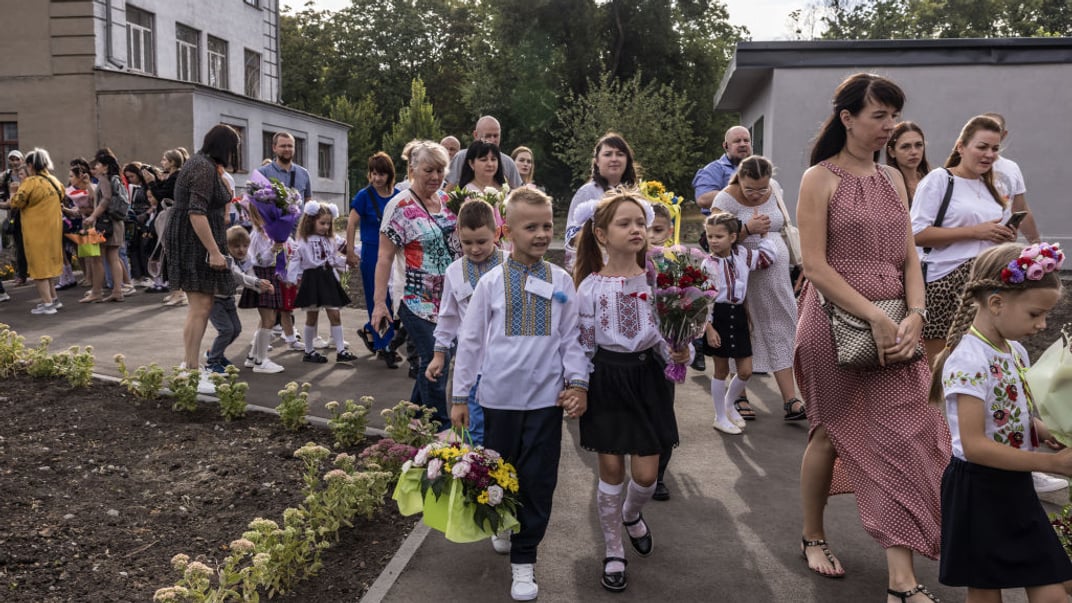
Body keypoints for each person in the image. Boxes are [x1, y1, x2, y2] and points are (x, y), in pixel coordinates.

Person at [795, 73, 950, 597]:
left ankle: (900, 580)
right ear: (847, 118)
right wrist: (876, 318)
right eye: (878, 116)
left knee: (903, 436)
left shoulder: (891, 180)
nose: (889, 126)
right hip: (834, 324)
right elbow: (814, 266)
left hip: (897, 321)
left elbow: (909, 256)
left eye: (893, 116)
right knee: (828, 432)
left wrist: (915, 314)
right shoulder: (819, 178)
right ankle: (812, 535)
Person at [450, 187, 588, 602]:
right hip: (498, 401)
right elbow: (471, 341)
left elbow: (572, 340)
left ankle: (525, 559)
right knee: (500, 473)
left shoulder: (561, 280)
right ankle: (505, 523)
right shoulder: (491, 283)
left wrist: (577, 383)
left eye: (548, 225)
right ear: (507, 230)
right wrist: (460, 396)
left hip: (546, 402)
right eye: (532, 227)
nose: (543, 234)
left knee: (539, 479)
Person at [930, 242, 1072, 602]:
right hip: (978, 489)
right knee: (985, 587)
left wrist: (1044, 431)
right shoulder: (967, 360)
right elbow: (975, 446)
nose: (1042, 325)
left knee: (1052, 583)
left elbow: (1014, 411)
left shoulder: (1014, 350)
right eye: (1035, 315)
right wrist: (1050, 463)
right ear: (996, 303)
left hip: (1013, 485)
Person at [572, 191, 688, 593]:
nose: (637, 229)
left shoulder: (661, 278)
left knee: (646, 475)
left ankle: (630, 513)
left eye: (641, 222)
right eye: (625, 223)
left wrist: (679, 348)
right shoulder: (588, 287)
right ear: (601, 234)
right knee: (611, 470)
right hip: (606, 379)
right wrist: (579, 386)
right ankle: (613, 549)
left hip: (648, 380)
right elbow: (584, 344)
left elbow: (662, 335)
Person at [911, 115, 1015, 363]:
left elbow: (986, 236)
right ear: (961, 147)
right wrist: (974, 232)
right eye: (982, 147)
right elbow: (916, 234)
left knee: (978, 362)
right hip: (945, 283)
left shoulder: (992, 187)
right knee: (940, 366)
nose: (989, 154)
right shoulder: (940, 179)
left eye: (995, 148)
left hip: (985, 281)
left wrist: (1003, 237)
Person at [711, 155, 806, 422]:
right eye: (750, 189)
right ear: (739, 179)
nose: (757, 195)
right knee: (742, 331)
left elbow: (784, 226)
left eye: (762, 189)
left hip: (775, 278)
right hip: (741, 279)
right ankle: (738, 395)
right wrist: (745, 229)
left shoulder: (774, 188)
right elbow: (713, 241)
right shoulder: (725, 199)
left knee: (781, 328)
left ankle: (790, 399)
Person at [371, 140, 460, 426]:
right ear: (413, 168)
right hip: (414, 301)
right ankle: (441, 431)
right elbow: (384, 258)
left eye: (441, 170)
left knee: (431, 362)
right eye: (429, 170)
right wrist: (378, 304)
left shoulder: (447, 201)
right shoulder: (400, 205)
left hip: (449, 301)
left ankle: (411, 419)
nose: (436, 177)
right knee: (438, 360)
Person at [166, 124, 241, 395]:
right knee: (201, 306)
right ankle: (193, 371)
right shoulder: (203, 168)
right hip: (193, 241)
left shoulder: (203, 164)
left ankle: (189, 366)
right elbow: (196, 213)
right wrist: (214, 251)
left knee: (199, 306)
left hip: (192, 239)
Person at [426, 199, 504, 446]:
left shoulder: (510, 265)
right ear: (458, 235)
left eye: (482, 241)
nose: (475, 249)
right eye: (467, 242)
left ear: (496, 232)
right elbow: (448, 317)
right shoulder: (454, 271)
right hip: (473, 367)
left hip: (507, 365)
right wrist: (439, 355)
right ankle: (477, 478)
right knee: (473, 430)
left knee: (504, 429)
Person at [701, 212, 776, 434]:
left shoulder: (742, 254)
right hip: (718, 315)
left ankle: (729, 404)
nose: (713, 241)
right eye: (710, 236)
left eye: (719, 236)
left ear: (733, 237)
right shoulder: (707, 263)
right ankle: (720, 416)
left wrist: (764, 236)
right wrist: (709, 328)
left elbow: (766, 259)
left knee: (745, 371)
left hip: (739, 315)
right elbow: (702, 298)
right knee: (721, 369)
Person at [346, 151, 402, 368]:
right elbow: (351, 224)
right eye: (373, 174)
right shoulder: (364, 196)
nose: (377, 178)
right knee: (376, 298)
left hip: (395, 253)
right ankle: (384, 346)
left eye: (381, 174)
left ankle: (371, 331)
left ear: (389, 175)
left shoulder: (398, 196)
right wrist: (351, 252)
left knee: (394, 298)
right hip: (372, 252)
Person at [285, 201, 356, 364]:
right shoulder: (303, 241)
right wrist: (291, 279)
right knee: (312, 316)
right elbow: (296, 260)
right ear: (311, 221)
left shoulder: (332, 239)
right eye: (322, 223)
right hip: (312, 279)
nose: (325, 227)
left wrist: (354, 257)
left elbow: (339, 255)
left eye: (328, 223)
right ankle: (309, 351)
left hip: (328, 278)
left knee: (335, 314)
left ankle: (341, 350)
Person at [564, 132, 639, 269]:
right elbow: (571, 236)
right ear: (597, 161)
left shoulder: (636, 193)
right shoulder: (587, 192)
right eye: (608, 154)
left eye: (620, 154)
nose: (614, 159)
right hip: (595, 269)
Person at [206, 226, 274, 373]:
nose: (241, 250)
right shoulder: (226, 259)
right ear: (227, 246)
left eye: (244, 246)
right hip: (215, 299)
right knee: (226, 330)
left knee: (236, 329)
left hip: (228, 299)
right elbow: (239, 277)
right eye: (236, 246)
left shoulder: (246, 258)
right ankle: (212, 362)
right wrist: (258, 283)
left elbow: (251, 274)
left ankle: (215, 353)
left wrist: (262, 286)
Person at [237, 200, 292, 374]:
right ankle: (261, 361)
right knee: (268, 319)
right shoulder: (256, 235)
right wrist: (273, 250)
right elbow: (258, 259)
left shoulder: (267, 233)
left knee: (267, 318)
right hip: (262, 276)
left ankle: (254, 356)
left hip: (268, 275)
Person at [10, 148, 64, 314]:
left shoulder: (31, 182)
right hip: (53, 230)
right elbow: (62, 194)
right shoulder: (53, 180)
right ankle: (53, 299)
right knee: (49, 266)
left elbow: (17, 202)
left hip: (36, 231)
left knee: (39, 268)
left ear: (31, 165)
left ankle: (47, 304)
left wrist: (13, 192)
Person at [646, 202, 676, 501]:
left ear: (668, 231)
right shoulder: (627, 264)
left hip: (665, 351)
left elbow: (692, 305)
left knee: (663, 412)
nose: (651, 235)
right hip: (633, 353)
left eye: (658, 230)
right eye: (646, 228)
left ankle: (659, 475)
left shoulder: (676, 264)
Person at [983, 112, 1042, 245]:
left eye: (995, 128)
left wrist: (1037, 246)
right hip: (972, 252)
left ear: (1003, 135)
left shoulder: (1011, 167)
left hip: (1002, 249)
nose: (989, 133)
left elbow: (1020, 209)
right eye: (984, 127)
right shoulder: (967, 167)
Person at [85, 148, 130, 302]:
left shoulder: (104, 179)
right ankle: (118, 291)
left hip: (102, 223)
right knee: (114, 257)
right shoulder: (115, 178)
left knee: (95, 258)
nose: (95, 167)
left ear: (105, 166)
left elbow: (105, 199)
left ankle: (96, 292)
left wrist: (92, 216)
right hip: (115, 223)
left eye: (97, 164)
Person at [444, 116, 523, 189]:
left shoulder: (508, 162)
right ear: (475, 135)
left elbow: (518, 192)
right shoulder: (462, 157)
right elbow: (450, 189)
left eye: (496, 136)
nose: (492, 140)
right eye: (488, 136)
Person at [693, 126, 753, 213]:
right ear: (726, 146)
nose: (743, 144)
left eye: (746, 141)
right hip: (726, 224)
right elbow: (703, 199)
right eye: (737, 141)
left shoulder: (758, 168)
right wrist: (743, 194)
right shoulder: (713, 170)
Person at [258, 131, 312, 203]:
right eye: (283, 146)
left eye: (290, 146)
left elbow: (308, 203)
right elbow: (255, 205)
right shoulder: (262, 173)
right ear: (274, 148)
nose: (287, 149)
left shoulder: (304, 174)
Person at [1, 149, 28, 287]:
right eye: (12, 159)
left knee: (28, 245)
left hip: (28, 214)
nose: (15, 162)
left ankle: (29, 273)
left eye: (17, 159)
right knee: (18, 246)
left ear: (22, 160)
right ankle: (21, 274)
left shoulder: (28, 174)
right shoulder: (7, 175)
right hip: (14, 215)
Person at [885, 122, 931, 203]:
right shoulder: (887, 186)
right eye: (905, 147)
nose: (914, 152)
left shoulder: (932, 181)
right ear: (892, 152)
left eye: (918, 145)